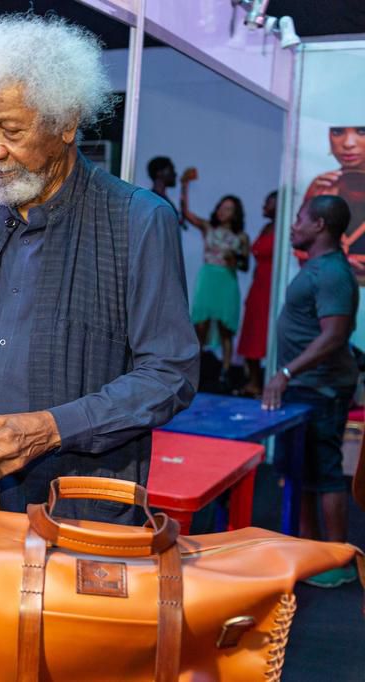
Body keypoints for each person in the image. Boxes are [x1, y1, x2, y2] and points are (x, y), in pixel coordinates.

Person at [0, 14, 199, 523]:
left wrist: (52, 428)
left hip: (79, 506)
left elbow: (169, 373)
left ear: (67, 122)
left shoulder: (139, 220)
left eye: (10, 130)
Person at [262, 195, 360, 587]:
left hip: (320, 388)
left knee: (324, 471)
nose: (293, 225)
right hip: (304, 387)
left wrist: (285, 372)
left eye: (300, 218)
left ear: (319, 225)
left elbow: (335, 335)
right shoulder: (318, 267)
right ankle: (307, 549)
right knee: (298, 469)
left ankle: (337, 560)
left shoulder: (333, 272)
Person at [181, 170, 250, 383]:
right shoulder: (208, 227)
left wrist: (235, 259)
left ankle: (225, 372)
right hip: (208, 278)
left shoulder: (241, 237)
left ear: (236, 213)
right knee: (199, 325)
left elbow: (245, 266)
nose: (222, 211)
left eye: (228, 208)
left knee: (225, 329)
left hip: (226, 281)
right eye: (221, 206)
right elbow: (186, 213)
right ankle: (197, 371)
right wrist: (184, 185)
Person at [299, 126, 365, 283]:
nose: (348, 143)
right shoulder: (320, 188)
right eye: (337, 131)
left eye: (362, 131)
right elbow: (301, 254)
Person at [237, 191, 278, 396]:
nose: (264, 206)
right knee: (252, 333)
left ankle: (269, 384)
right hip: (258, 286)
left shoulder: (282, 229)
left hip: (273, 286)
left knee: (266, 334)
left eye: (268, 203)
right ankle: (253, 383)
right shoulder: (266, 228)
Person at [147, 155, 185, 229]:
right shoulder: (153, 201)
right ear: (159, 173)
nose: (175, 174)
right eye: (171, 170)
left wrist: (184, 186)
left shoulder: (162, 200)